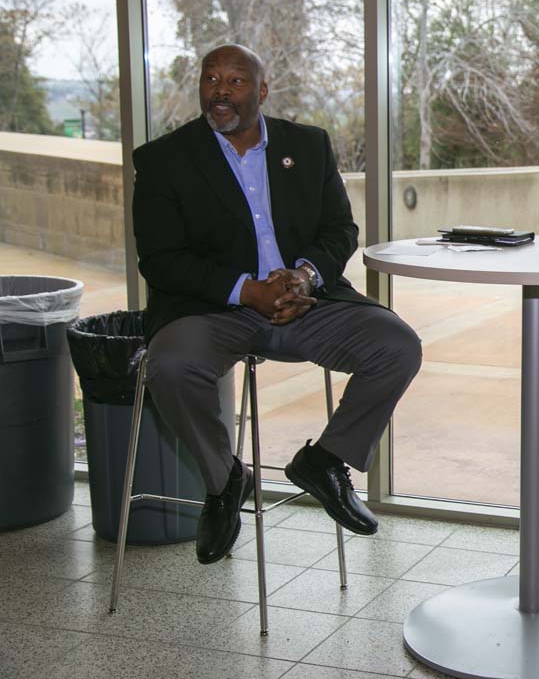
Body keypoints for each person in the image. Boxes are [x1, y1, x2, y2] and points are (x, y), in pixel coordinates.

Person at [132, 44, 423, 565]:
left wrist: (306, 276)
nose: (220, 90)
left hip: (306, 302)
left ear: (262, 92)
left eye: (236, 81)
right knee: (171, 365)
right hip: (214, 308)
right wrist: (249, 289)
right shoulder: (164, 160)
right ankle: (226, 481)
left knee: (397, 345)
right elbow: (161, 260)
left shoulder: (307, 146)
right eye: (211, 79)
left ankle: (326, 462)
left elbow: (340, 230)